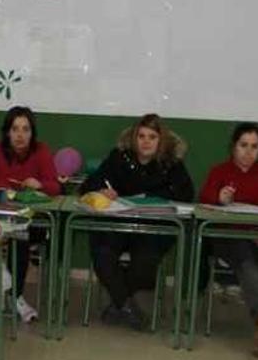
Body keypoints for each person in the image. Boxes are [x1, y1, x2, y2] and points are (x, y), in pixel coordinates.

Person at [79, 114, 193, 329]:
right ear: (134, 138)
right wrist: (102, 190)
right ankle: (126, 305)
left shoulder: (171, 164)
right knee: (102, 252)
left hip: (152, 230)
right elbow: (88, 185)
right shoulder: (119, 158)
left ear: (161, 140)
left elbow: (186, 195)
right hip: (117, 227)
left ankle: (118, 303)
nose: (146, 141)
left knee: (146, 264)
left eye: (152, 136)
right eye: (141, 136)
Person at [0, 106, 61, 320]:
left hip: (29, 221)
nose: (20, 135)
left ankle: (15, 296)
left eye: (26, 129)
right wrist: (5, 186)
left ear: (32, 133)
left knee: (21, 236)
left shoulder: (41, 151)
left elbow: (55, 187)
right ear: (7, 132)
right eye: (15, 129)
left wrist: (40, 184)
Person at [199, 123, 258, 358]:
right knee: (248, 266)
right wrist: (219, 198)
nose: (248, 152)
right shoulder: (219, 171)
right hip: (231, 237)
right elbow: (203, 202)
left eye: (254, 147)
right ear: (233, 147)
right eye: (243, 145)